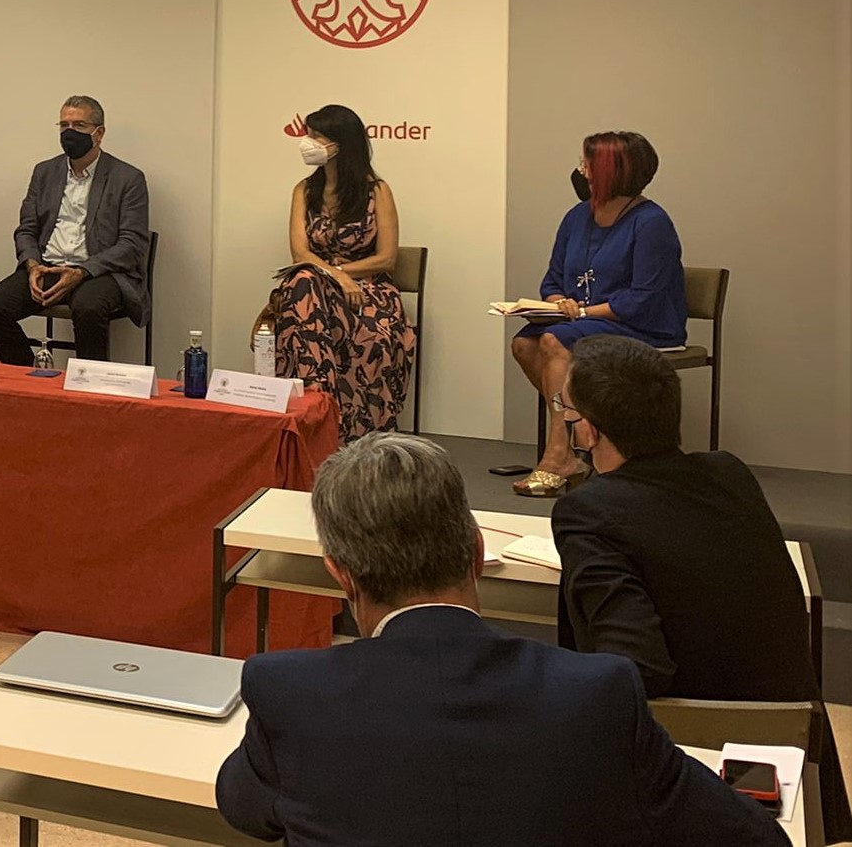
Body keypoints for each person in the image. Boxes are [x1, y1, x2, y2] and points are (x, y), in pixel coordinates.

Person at [215, 432, 785, 847]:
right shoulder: (596, 693)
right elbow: (751, 836)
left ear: (340, 574)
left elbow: (244, 807)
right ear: (477, 552)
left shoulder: (289, 691)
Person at [555, 335, 850, 839]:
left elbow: (636, 666)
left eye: (566, 407)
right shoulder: (729, 474)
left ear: (588, 430)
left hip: (700, 769)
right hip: (791, 753)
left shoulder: (587, 511)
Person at [511, 130, 685, 497]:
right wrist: (557, 302)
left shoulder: (652, 223)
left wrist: (580, 311)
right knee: (525, 344)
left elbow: (643, 299)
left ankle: (560, 454)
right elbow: (553, 280)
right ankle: (582, 431)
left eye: (587, 163)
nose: (581, 171)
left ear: (611, 171)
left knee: (553, 340)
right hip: (583, 322)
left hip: (642, 327)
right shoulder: (577, 217)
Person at [269, 105, 414, 441]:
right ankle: (320, 414)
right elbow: (300, 254)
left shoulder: (377, 191)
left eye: (317, 136)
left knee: (360, 328)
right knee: (303, 281)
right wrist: (335, 277)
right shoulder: (304, 190)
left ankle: (326, 416)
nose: (308, 143)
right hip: (316, 287)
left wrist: (342, 273)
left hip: (369, 289)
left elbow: (386, 258)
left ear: (340, 143)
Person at [0, 96, 149, 364]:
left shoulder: (127, 178)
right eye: (64, 125)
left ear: (99, 133)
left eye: (79, 125)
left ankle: (89, 384)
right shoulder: (45, 172)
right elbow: (26, 229)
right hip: (48, 267)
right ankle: (29, 377)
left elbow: (132, 244)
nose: (70, 132)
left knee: (88, 308)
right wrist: (33, 266)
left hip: (98, 272)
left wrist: (82, 271)